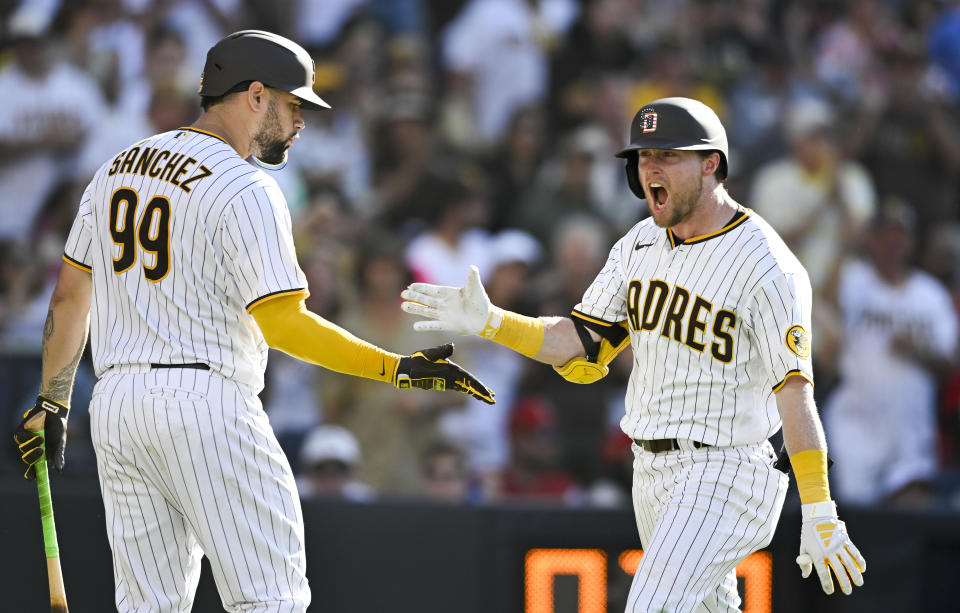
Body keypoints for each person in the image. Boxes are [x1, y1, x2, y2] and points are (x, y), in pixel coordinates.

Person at [11, 30, 493, 613]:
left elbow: (67, 299)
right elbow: (285, 325)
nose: (301, 122)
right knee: (271, 598)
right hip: (205, 400)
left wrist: (55, 400)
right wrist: (398, 369)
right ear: (255, 95)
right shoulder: (245, 187)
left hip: (116, 405)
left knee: (148, 607)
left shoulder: (116, 167)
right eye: (295, 105)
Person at [402, 97, 866, 611]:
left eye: (667, 155)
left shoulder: (768, 266)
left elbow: (796, 393)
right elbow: (579, 340)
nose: (650, 168)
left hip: (726, 471)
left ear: (711, 163)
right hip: (650, 470)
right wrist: (492, 322)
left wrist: (820, 508)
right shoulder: (639, 243)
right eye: (643, 157)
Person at [824, 201, 957, 508]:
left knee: (910, 521)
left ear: (911, 242)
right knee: (854, 527)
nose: (893, 243)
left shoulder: (931, 295)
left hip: (909, 432)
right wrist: (846, 245)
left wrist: (918, 351)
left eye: (900, 235)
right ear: (872, 240)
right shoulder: (853, 278)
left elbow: (949, 367)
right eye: (885, 235)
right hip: (856, 429)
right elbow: (822, 307)